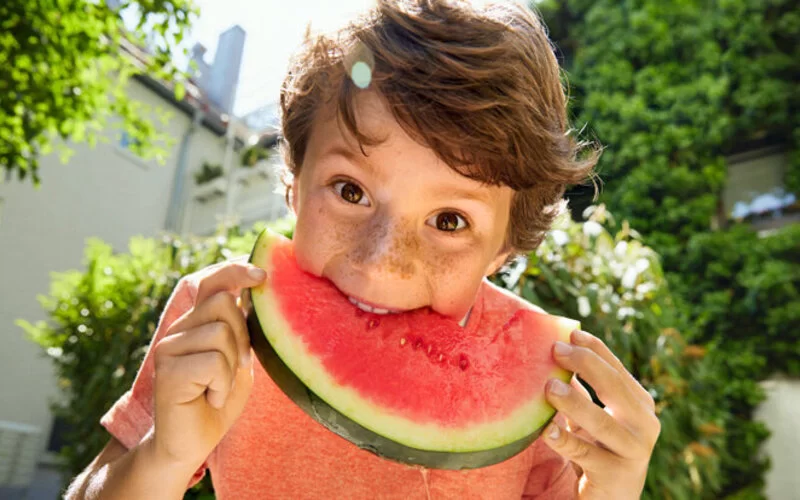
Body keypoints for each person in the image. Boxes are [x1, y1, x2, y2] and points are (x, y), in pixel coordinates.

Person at [66, 1, 660, 498]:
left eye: (449, 220)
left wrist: (611, 491)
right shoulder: (216, 314)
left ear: (504, 250)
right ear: (295, 186)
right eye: (350, 191)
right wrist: (162, 456)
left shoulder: (538, 386)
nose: (380, 263)